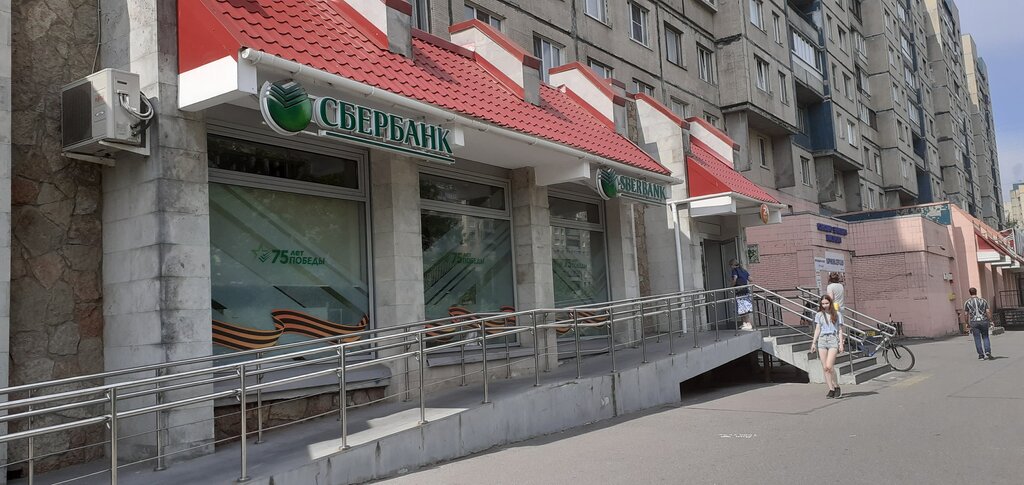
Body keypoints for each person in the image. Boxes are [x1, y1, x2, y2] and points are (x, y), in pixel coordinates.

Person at [810, 294, 844, 398]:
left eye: (827, 303)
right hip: (822, 340)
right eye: (823, 303)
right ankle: (831, 389)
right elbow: (817, 329)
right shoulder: (819, 315)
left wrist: (841, 343)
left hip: (833, 339)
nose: (825, 305)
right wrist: (813, 343)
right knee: (825, 368)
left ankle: (837, 386)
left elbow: (840, 330)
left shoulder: (837, 314)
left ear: (830, 303)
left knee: (829, 366)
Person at [964, 288, 994, 360]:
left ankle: (981, 355)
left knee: (977, 338)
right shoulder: (983, 301)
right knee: (985, 337)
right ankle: (987, 351)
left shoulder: (967, 302)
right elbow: (988, 311)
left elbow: (966, 314)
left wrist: (967, 323)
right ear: (976, 292)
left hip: (974, 322)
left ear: (970, 293)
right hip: (983, 321)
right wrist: (990, 321)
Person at [730, 259, 753, 330]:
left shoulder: (734, 270)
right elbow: (751, 279)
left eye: (730, 265)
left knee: (742, 307)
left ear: (732, 265)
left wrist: (732, 285)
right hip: (746, 290)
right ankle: (745, 323)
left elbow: (735, 278)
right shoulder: (743, 270)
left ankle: (747, 323)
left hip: (739, 291)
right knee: (745, 307)